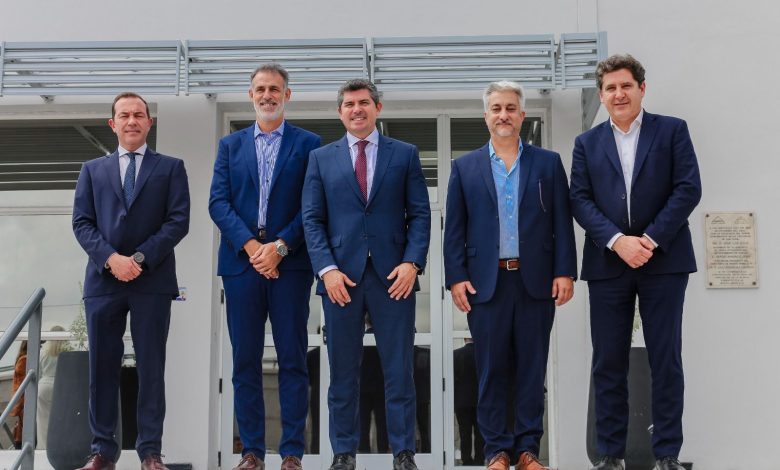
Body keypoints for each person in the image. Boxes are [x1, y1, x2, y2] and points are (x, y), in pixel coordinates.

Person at [569, 54, 701, 470]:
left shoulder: (672, 130)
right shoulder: (586, 143)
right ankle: (610, 455)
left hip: (664, 261)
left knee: (666, 359)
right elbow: (580, 200)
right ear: (601, 95)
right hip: (608, 264)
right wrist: (617, 242)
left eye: (626, 85)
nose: (619, 94)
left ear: (642, 88)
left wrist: (648, 240)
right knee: (608, 361)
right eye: (610, 88)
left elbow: (688, 188)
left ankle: (667, 454)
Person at [443, 81, 577, 470]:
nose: (504, 115)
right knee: (490, 370)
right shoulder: (464, 167)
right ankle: (496, 450)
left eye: (511, 108)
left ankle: (527, 450)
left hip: (535, 281)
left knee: (532, 369)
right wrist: (456, 277)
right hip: (486, 285)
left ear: (522, 115)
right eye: (497, 108)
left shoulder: (548, 163)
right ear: (486, 115)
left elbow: (562, 222)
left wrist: (565, 271)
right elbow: (455, 229)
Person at [302, 78, 431, 470]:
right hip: (340, 279)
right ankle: (344, 452)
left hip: (394, 278)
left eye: (363, 103)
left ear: (377, 107)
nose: (356, 109)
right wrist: (327, 270)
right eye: (349, 104)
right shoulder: (320, 159)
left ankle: (403, 452)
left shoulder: (404, 154)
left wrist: (412, 263)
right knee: (343, 373)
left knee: (399, 371)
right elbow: (312, 219)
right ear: (340, 112)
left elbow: (420, 214)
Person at [209, 62, 321, 470]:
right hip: (242, 267)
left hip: (290, 268)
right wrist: (254, 247)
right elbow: (218, 203)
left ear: (287, 95)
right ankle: (252, 451)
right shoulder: (230, 146)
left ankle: (292, 452)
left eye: (275, 89)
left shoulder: (309, 144)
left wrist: (280, 247)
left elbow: (312, 205)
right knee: (245, 361)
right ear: (251, 94)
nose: (267, 95)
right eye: (260, 89)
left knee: (293, 359)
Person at [72, 92, 190, 470]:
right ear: (113, 124)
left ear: (149, 123)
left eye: (139, 114)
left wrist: (138, 259)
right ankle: (102, 452)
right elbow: (82, 223)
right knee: (102, 369)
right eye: (124, 115)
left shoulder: (171, 168)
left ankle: (150, 452)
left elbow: (178, 221)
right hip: (103, 282)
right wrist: (111, 259)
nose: (132, 121)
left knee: (151, 369)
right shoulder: (92, 170)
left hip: (151, 280)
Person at [37, 325, 69, 449]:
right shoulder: (67, 352)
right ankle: (60, 446)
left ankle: (43, 448)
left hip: (43, 386)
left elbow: (38, 373)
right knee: (62, 420)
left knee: (43, 420)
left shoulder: (42, 352)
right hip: (61, 386)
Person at [453, 339, 484, 465]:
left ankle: (466, 460)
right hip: (479, 399)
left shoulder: (455, 354)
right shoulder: (482, 354)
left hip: (461, 400)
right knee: (480, 432)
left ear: (464, 339)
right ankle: (479, 459)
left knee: (464, 432)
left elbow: (452, 379)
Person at [10, 340, 27, 450]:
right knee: (23, 428)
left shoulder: (21, 358)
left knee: (21, 427)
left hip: (21, 399)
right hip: (23, 399)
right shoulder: (25, 359)